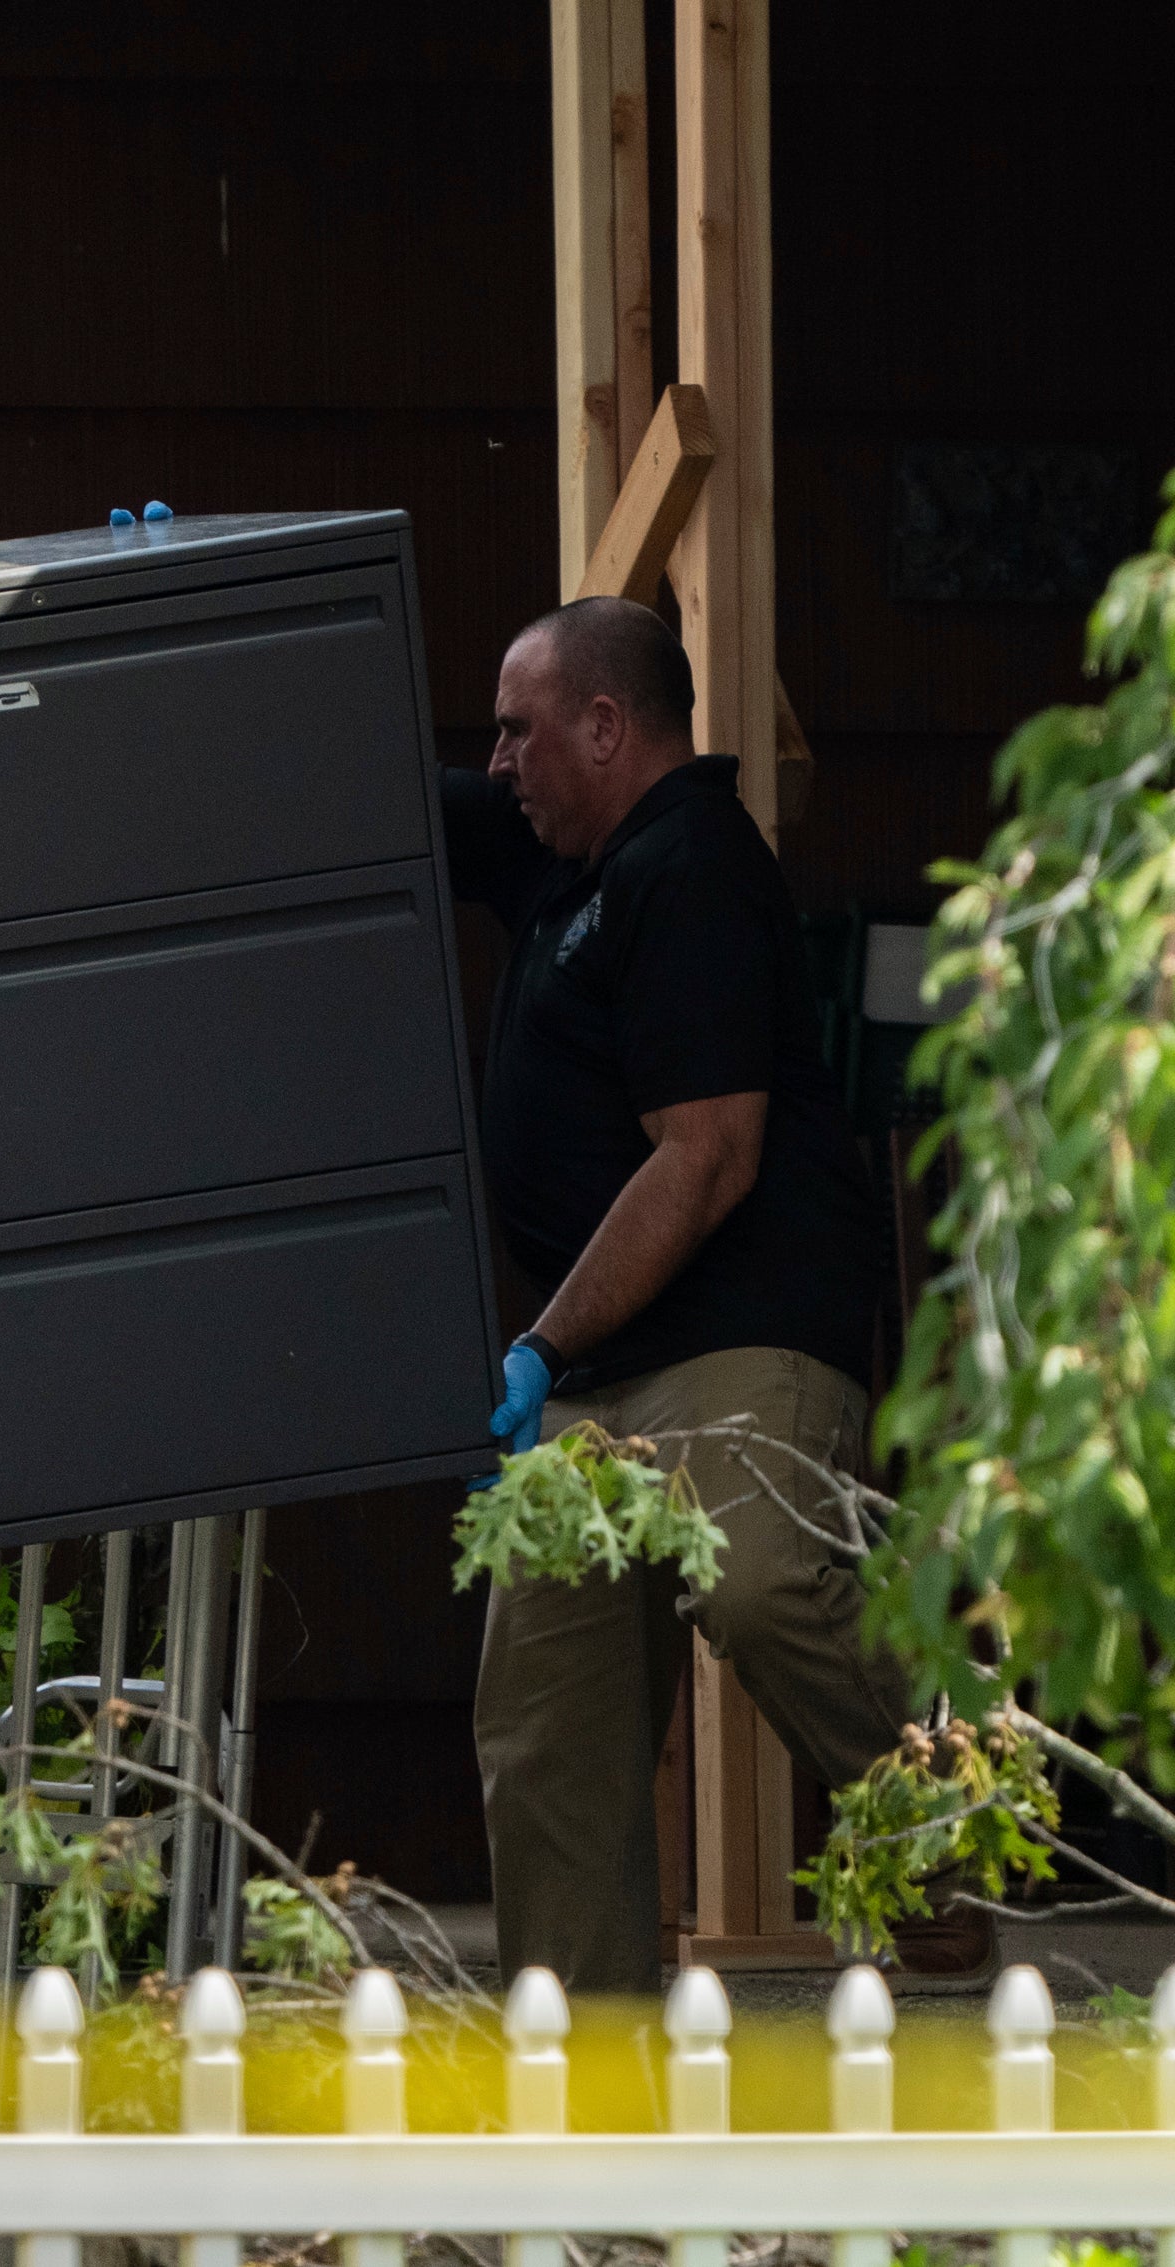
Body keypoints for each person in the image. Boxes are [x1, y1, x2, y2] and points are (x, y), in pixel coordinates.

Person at [446, 595, 933, 1994]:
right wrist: (219, 623)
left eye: (519, 729)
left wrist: (542, 1337)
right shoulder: (553, 857)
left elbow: (707, 1156)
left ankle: (956, 1827)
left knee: (767, 1574)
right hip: (596, 1373)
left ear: (606, 727)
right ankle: (580, 2081)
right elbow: (365, 783)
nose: (497, 761)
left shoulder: (694, 862)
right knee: (545, 1716)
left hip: (736, 1331)